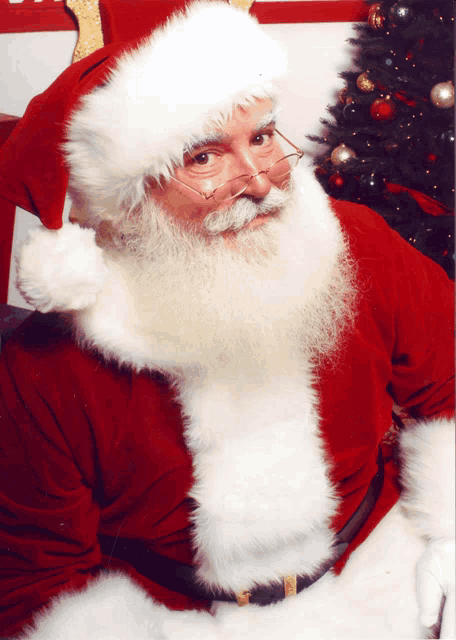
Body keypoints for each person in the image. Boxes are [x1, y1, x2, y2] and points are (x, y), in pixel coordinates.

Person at [0, 2, 454, 639]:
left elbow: (452, 385)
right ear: (130, 201)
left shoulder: (358, 244)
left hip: (380, 570)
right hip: (178, 619)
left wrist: (449, 537)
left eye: (262, 138)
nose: (263, 184)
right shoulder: (45, 366)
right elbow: (37, 573)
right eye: (204, 158)